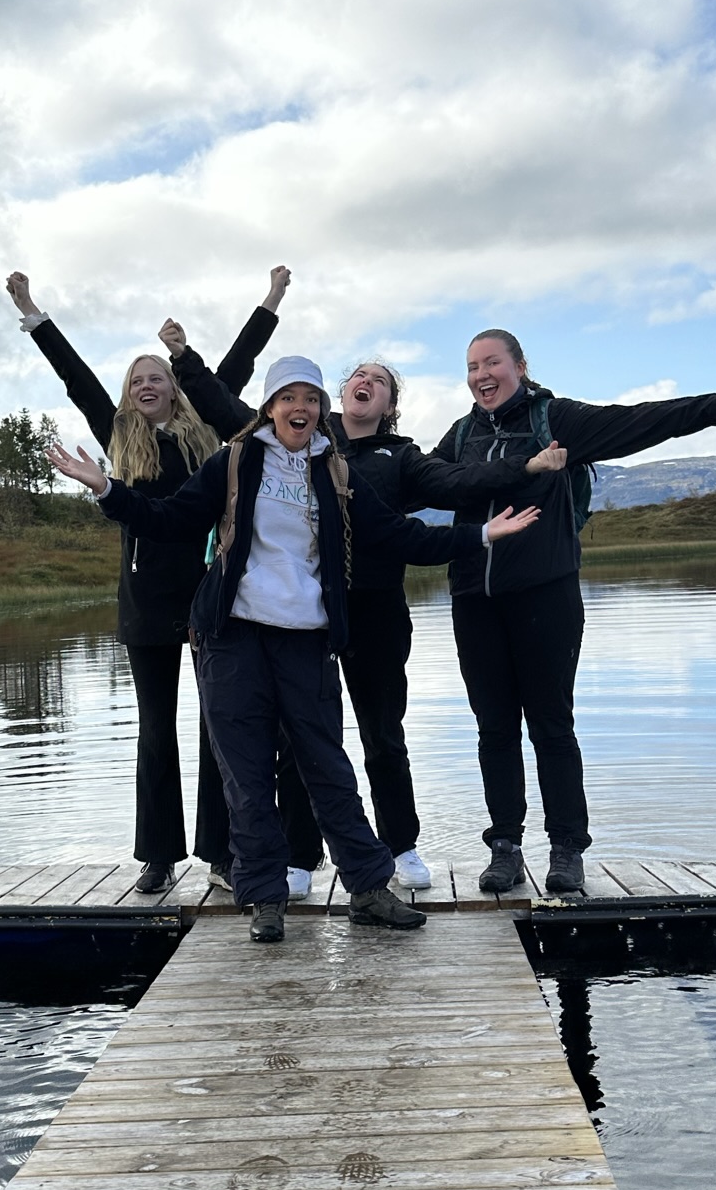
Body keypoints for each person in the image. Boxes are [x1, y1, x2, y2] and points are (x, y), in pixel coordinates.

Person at [45, 355, 540, 943]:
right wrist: (107, 489)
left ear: (320, 411)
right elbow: (170, 519)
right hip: (232, 638)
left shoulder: (335, 471)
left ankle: (368, 889)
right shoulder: (234, 460)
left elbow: (398, 534)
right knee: (247, 774)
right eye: (288, 398)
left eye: (310, 399)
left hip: (305, 638)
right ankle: (264, 898)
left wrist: (480, 534)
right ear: (271, 407)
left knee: (328, 767)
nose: (299, 408)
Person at [432, 330, 716, 899]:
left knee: (551, 724)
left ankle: (567, 849)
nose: (481, 376)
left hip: (546, 595)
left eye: (492, 363)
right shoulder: (462, 434)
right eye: (472, 367)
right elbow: (428, 481)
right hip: (474, 599)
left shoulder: (555, 419)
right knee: (494, 728)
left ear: (519, 365)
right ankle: (505, 848)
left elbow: (636, 422)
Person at [201, 359, 566, 895]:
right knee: (299, 739)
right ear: (338, 394)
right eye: (359, 376)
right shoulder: (300, 446)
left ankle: (400, 847)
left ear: (389, 405)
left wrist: (522, 470)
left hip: (377, 616)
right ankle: (300, 856)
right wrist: (186, 361)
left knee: (383, 736)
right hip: (306, 614)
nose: (366, 383)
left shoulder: (401, 458)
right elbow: (226, 410)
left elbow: (455, 484)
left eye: (380, 382)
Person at [5, 265, 290, 894]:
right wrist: (32, 312)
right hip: (146, 604)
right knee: (156, 730)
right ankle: (158, 855)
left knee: (221, 728)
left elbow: (237, 364)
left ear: (174, 387)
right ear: (129, 394)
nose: (146, 385)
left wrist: (270, 299)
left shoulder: (206, 432)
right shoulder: (117, 435)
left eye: (156, 377)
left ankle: (223, 853)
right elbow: (75, 376)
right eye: (137, 380)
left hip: (211, 598)